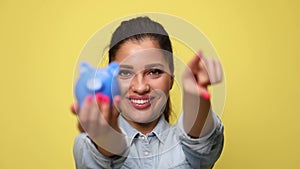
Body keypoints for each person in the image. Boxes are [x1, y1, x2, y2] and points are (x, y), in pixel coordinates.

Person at [72, 16, 224, 169]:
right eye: (125, 73)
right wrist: (107, 139)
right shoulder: (87, 143)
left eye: (154, 72)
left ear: (171, 78)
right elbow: (98, 159)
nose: (140, 87)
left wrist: (195, 97)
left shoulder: (186, 146)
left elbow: (200, 140)